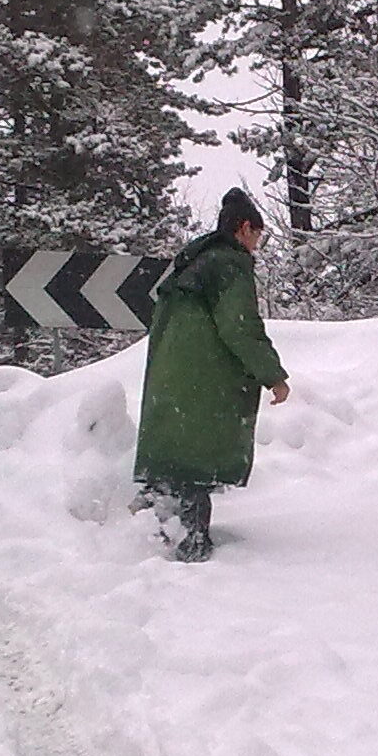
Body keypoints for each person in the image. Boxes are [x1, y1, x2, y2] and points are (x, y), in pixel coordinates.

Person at [132, 188, 290, 562]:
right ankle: (190, 548)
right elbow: (239, 326)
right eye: (257, 234)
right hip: (204, 384)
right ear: (244, 228)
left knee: (172, 465)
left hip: (172, 380)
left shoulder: (193, 262)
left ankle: (147, 540)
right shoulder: (230, 264)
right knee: (194, 466)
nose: (257, 244)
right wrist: (274, 375)